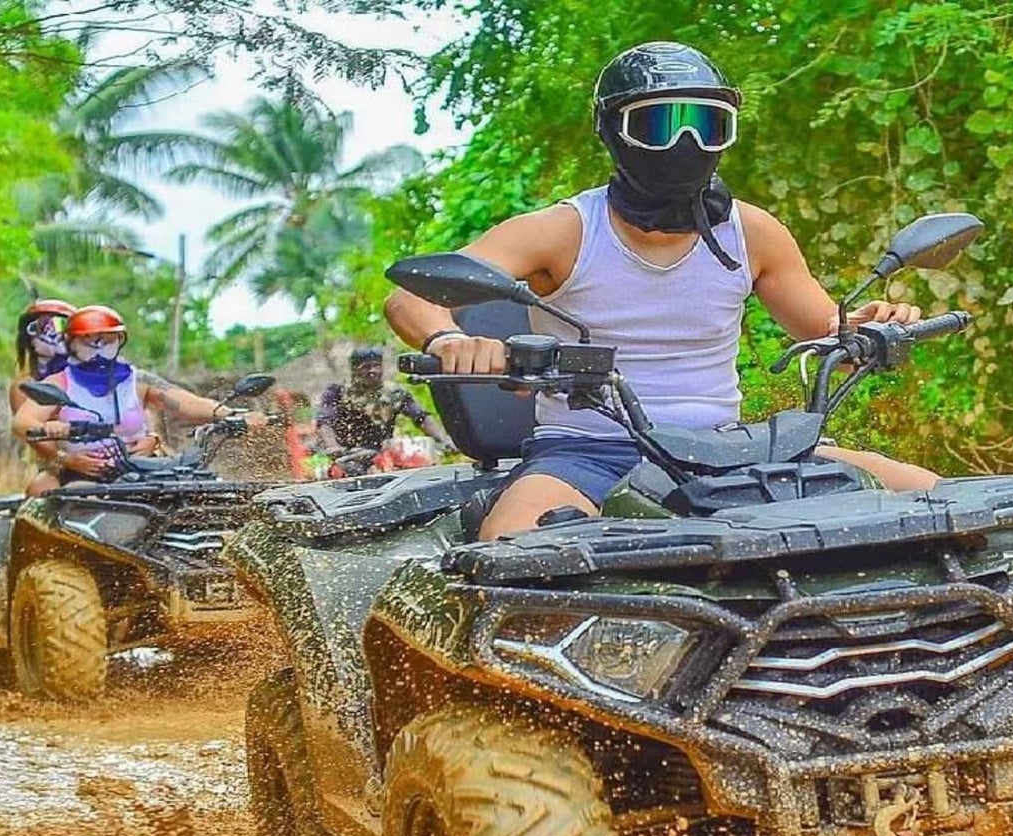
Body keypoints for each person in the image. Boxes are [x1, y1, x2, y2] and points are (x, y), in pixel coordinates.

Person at [383, 41, 941, 541]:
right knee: (512, 549)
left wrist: (865, 329)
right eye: (659, 126)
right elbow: (411, 296)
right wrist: (446, 338)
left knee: (937, 500)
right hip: (589, 452)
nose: (685, 142)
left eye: (706, 123)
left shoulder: (754, 233)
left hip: (733, 451)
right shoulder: (563, 231)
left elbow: (828, 336)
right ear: (612, 131)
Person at [11, 305, 267, 493]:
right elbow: (23, 422)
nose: (98, 347)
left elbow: (186, 402)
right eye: (88, 341)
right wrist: (62, 447)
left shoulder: (138, 380)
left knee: (203, 491)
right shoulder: (59, 382)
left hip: (141, 468)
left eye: (106, 339)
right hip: (80, 474)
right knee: (50, 494)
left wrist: (231, 415)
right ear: (72, 343)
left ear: (119, 340)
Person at [315, 346, 452, 459]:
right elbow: (325, 421)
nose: (372, 371)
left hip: (382, 454)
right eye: (366, 367)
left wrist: (442, 439)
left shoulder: (394, 393)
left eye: (376, 366)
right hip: (347, 455)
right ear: (354, 369)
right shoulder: (337, 392)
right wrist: (332, 446)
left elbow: (420, 417)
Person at [11, 299, 76, 494]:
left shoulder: (90, 377)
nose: (50, 333)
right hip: (56, 465)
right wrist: (67, 460)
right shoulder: (25, 384)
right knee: (43, 492)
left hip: (105, 459)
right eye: (40, 327)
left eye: (57, 325)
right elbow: (33, 436)